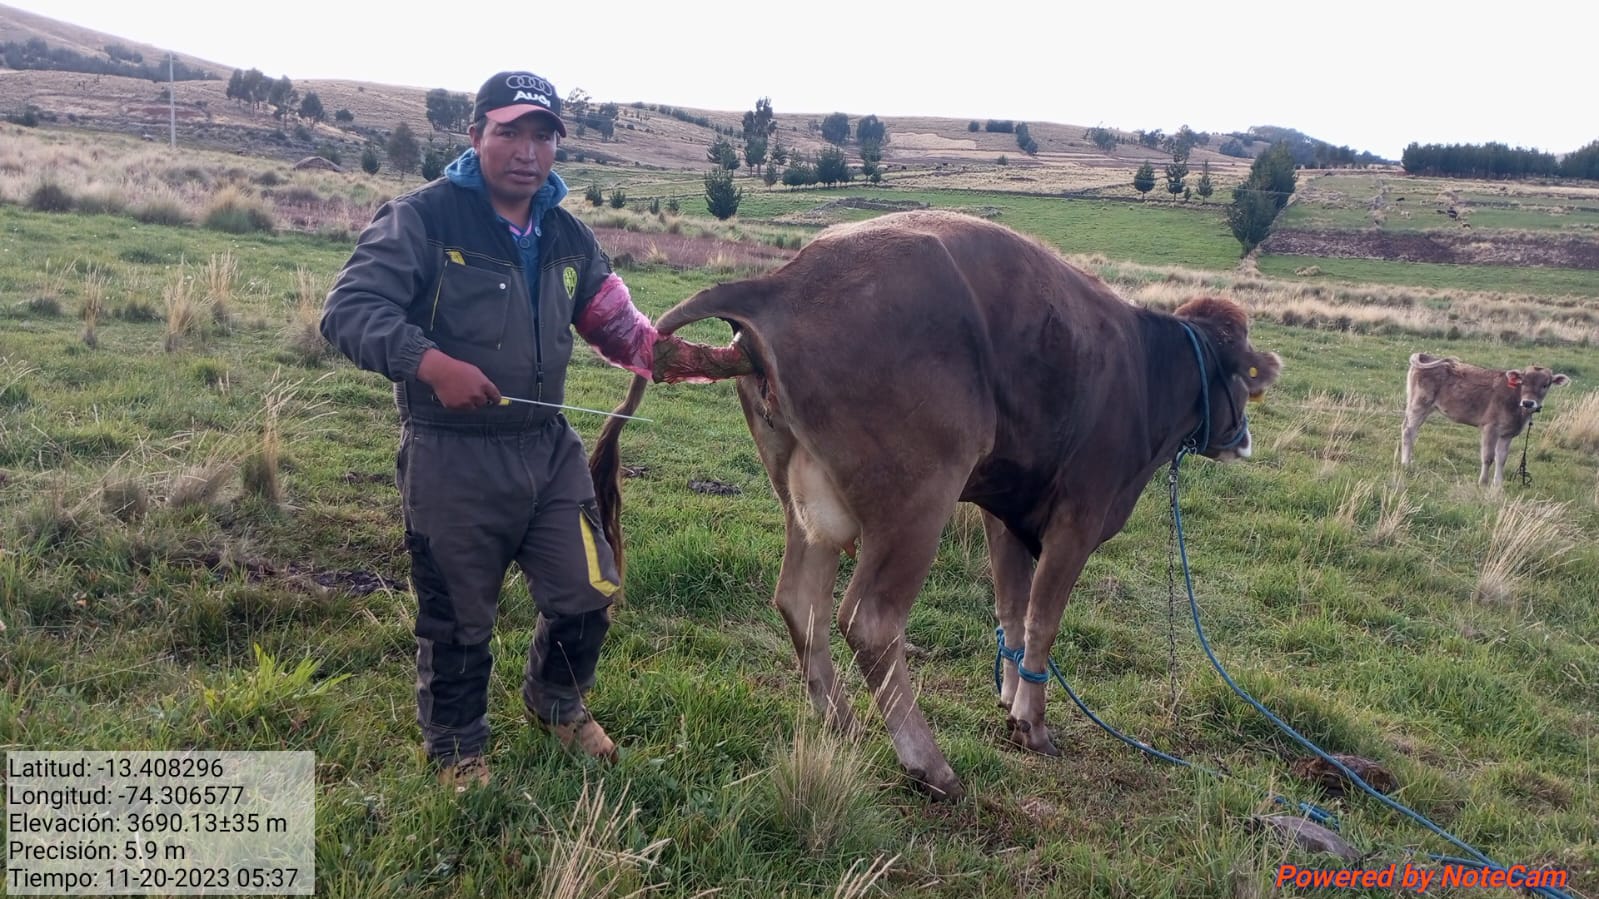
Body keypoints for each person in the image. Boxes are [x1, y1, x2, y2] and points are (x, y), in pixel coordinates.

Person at [321, 70, 742, 790]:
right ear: (475, 132)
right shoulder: (424, 218)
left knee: (589, 589)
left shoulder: (568, 234)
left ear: (557, 144)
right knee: (457, 616)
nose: (526, 149)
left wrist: (717, 361)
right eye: (509, 129)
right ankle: (455, 748)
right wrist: (429, 363)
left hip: (549, 454)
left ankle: (555, 704)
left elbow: (618, 328)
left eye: (541, 133)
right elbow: (349, 311)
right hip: (451, 457)